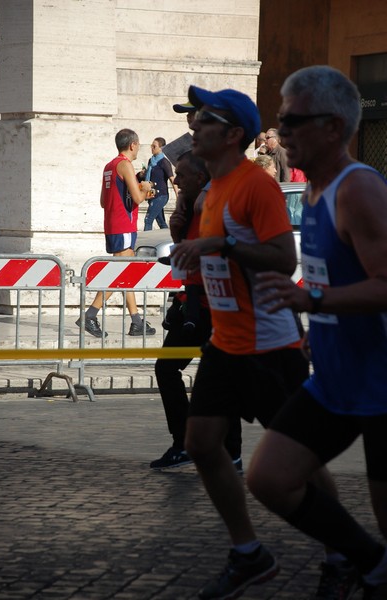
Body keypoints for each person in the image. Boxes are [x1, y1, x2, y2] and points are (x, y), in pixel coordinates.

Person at [170, 85, 340, 600]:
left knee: (302, 463)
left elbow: (280, 259)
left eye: (203, 120)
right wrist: (200, 257)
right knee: (200, 445)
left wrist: (219, 244)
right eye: (192, 118)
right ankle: (248, 553)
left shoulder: (256, 186)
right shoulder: (208, 190)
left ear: (232, 134)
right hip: (227, 341)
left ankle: (340, 553)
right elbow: (226, 255)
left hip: (271, 346)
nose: (193, 127)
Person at [248, 65, 387, 600]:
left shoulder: (360, 191)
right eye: (280, 119)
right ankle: (369, 560)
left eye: (292, 120)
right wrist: (314, 323)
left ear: (333, 127)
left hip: (380, 384)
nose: (281, 130)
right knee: (268, 479)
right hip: (333, 378)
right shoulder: (312, 192)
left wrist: (315, 300)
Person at [151, 151, 242, 471]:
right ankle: (190, 443)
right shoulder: (189, 207)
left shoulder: (211, 205)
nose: (175, 180)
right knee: (169, 369)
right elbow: (188, 259)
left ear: (201, 179)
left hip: (214, 309)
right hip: (193, 306)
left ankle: (226, 451)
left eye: (182, 175)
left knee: (222, 380)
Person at [76, 128, 156, 338]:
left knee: (124, 272)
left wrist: (134, 189)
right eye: (138, 145)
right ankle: (90, 315)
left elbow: (104, 201)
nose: (138, 148)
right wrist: (145, 187)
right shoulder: (125, 164)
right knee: (118, 273)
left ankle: (137, 321)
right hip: (125, 225)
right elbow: (138, 199)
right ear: (132, 145)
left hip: (112, 224)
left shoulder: (109, 166)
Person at [140, 137, 178, 231]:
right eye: (151, 146)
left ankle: (146, 243)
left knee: (148, 220)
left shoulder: (164, 162)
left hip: (161, 195)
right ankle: (169, 239)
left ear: (161, 148)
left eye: (154, 146)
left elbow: (172, 179)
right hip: (151, 195)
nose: (152, 148)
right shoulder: (151, 161)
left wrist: (178, 194)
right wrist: (144, 173)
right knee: (161, 222)